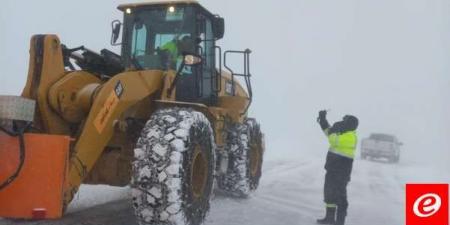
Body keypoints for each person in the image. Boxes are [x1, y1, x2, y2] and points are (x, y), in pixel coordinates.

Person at [316, 110, 359, 225]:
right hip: (332, 169)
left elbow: (333, 139)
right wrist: (323, 120)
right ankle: (329, 218)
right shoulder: (341, 132)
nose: (342, 123)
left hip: (342, 172)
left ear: (350, 124)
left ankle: (340, 222)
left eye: (344, 121)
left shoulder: (351, 137)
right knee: (329, 193)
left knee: (340, 197)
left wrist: (335, 129)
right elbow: (328, 132)